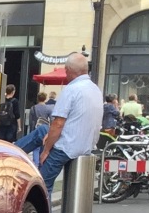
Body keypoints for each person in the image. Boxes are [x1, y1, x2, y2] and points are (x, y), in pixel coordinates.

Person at [39, 52, 103, 201]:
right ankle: (19, 149)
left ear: (68, 70)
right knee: (42, 131)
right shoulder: (95, 90)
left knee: (42, 187)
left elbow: (58, 123)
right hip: (86, 146)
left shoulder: (71, 90)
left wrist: (46, 150)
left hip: (66, 147)